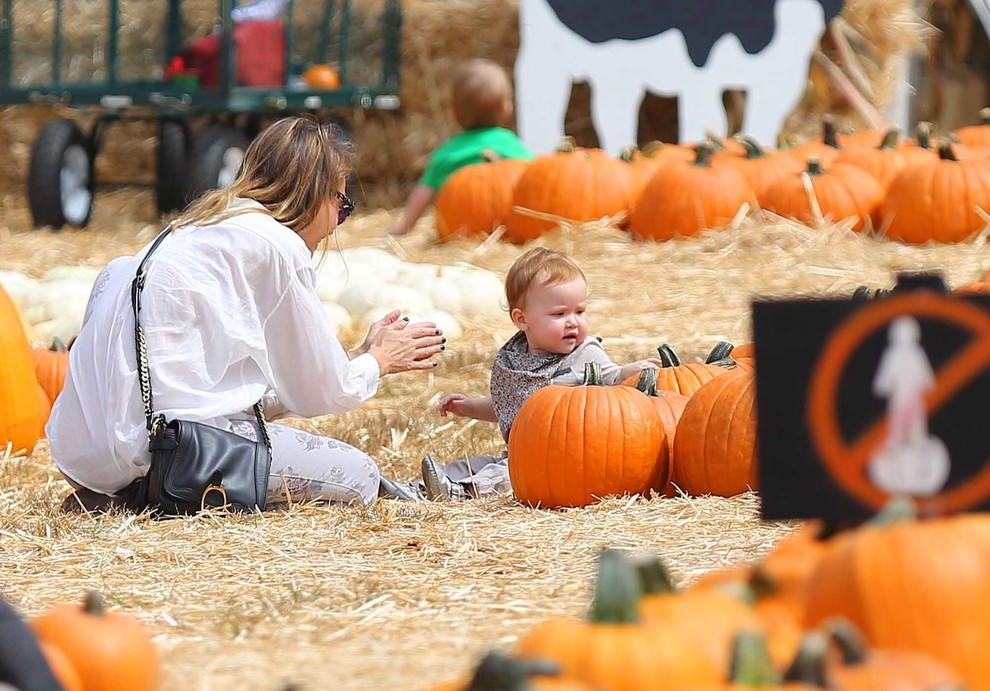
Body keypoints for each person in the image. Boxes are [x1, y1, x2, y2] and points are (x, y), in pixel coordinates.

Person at [47, 116, 445, 513]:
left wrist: (358, 356)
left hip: (84, 454)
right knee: (359, 475)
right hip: (170, 451)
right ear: (315, 195)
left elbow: (235, 391)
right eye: (342, 205)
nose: (335, 225)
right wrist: (379, 362)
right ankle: (156, 497)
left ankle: (122, 495)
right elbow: (321, 393)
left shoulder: (191, 230)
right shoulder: (275, 245)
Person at [419, 247, 662, 501]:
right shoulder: (516, 358)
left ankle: (463, 493)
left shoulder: (584, 353)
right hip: (522, 454)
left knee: (509, 476)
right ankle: (421, 488)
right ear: (522, 320)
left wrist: (627, 372)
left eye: (579, 311)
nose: (573, 322)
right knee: (473, 465)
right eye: (559, 314)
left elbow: (611, 378)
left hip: (562, 462)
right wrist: (468, 407)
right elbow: (511, 406)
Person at [386, 58, 535, 237]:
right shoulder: (511, 144)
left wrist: (403, 228)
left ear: (453, 114)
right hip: (506, 231)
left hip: (459, 233)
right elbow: (535, 179)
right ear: (506, 108)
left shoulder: (447, 154)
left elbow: (422, 195)